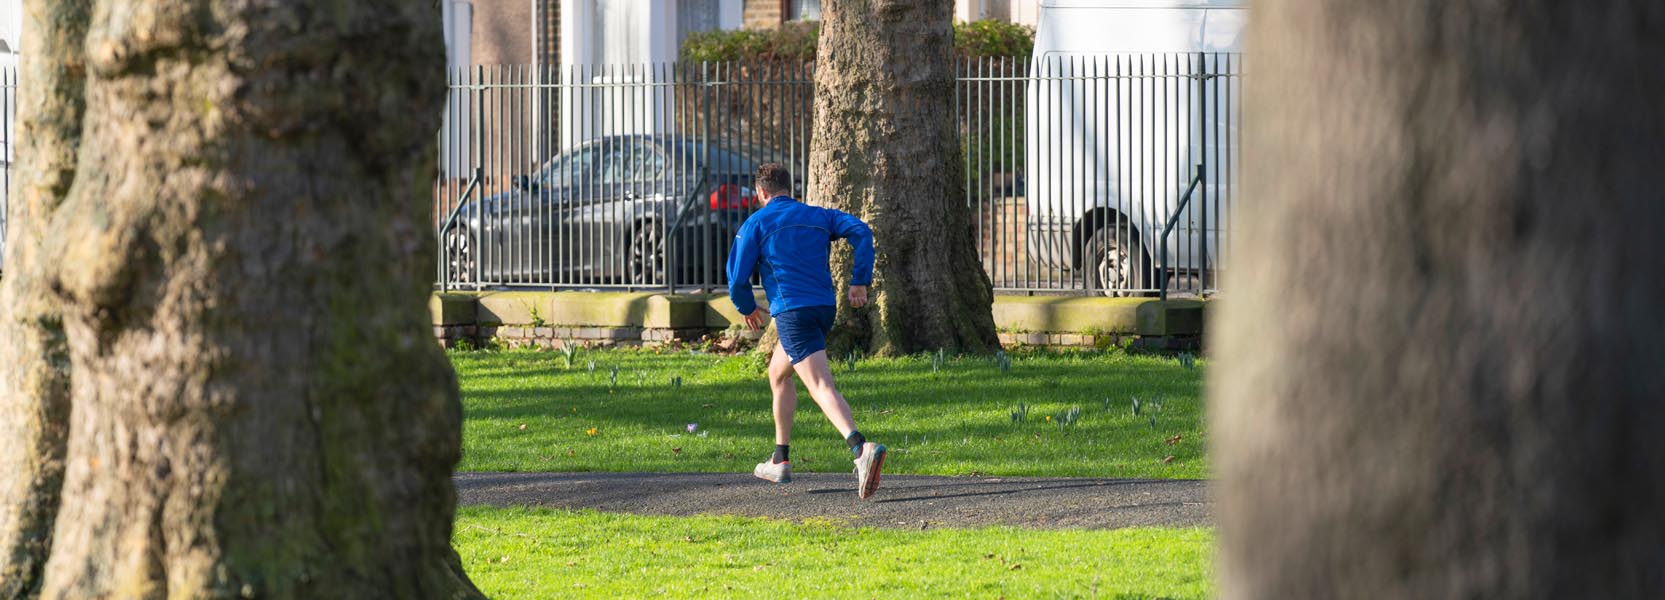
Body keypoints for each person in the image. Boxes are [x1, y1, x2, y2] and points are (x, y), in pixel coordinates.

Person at [726, 162, 886, 499]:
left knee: (820, 384)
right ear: (788, 188)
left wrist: (746, 307)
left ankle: (860, 448)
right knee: (778, 374)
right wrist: (859, 281)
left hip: (792, 312)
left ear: (761, 192)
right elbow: (861, 231)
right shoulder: (819, 215)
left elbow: (737, 277)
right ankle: (780, 459)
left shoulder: (756, 222)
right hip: (823, 310)